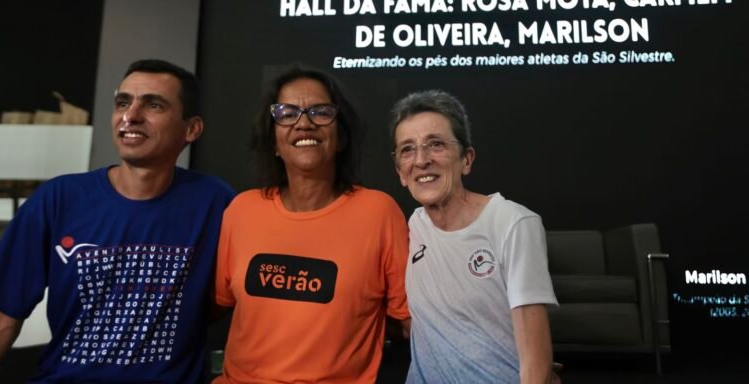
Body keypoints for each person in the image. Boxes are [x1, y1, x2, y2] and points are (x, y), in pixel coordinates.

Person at [0, 59, 235, 383]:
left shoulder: (215, 202)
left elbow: (226, 302)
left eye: (153, 104)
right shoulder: (58, 199)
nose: (131, 116)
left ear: (191, 129)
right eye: (123, 102)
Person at [213, 65, 411, 383]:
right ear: (274, 140)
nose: (304, 123)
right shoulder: (242, 210)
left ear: (342, 136)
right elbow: (217, 304)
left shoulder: (379, 213)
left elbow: (409, 323)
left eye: (320, 112)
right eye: (287, 113)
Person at [389, 90, 560, 384]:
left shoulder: (513, 222)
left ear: (466, 159)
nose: (421, 160)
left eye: (436, 144)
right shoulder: (414, 225)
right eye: (407, 149)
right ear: (401, 173)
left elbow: (536, 361)